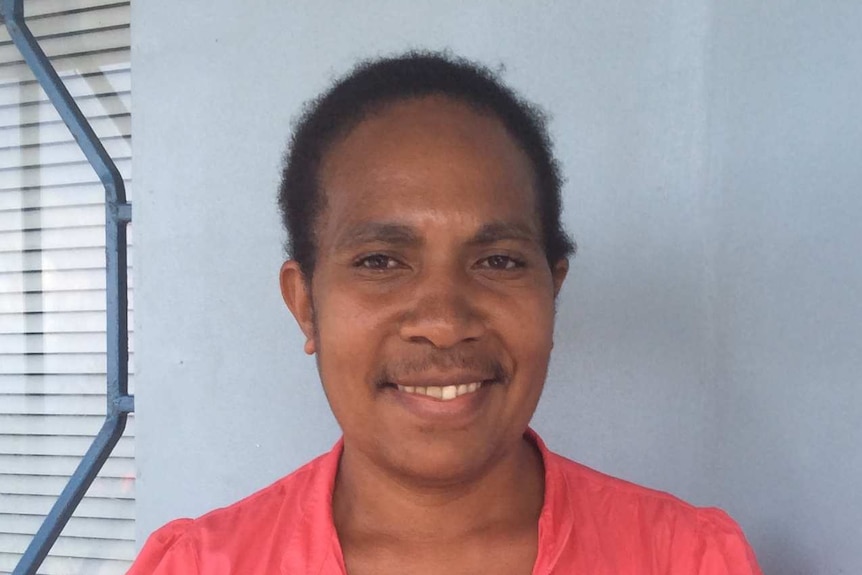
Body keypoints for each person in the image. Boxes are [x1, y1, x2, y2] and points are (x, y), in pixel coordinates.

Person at [127, 52, 762, 574]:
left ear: (553, 291)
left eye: (500, 261)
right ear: (305, 306)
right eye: (380, 262)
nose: (443, 320)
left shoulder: (684, 558)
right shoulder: (200, 566)